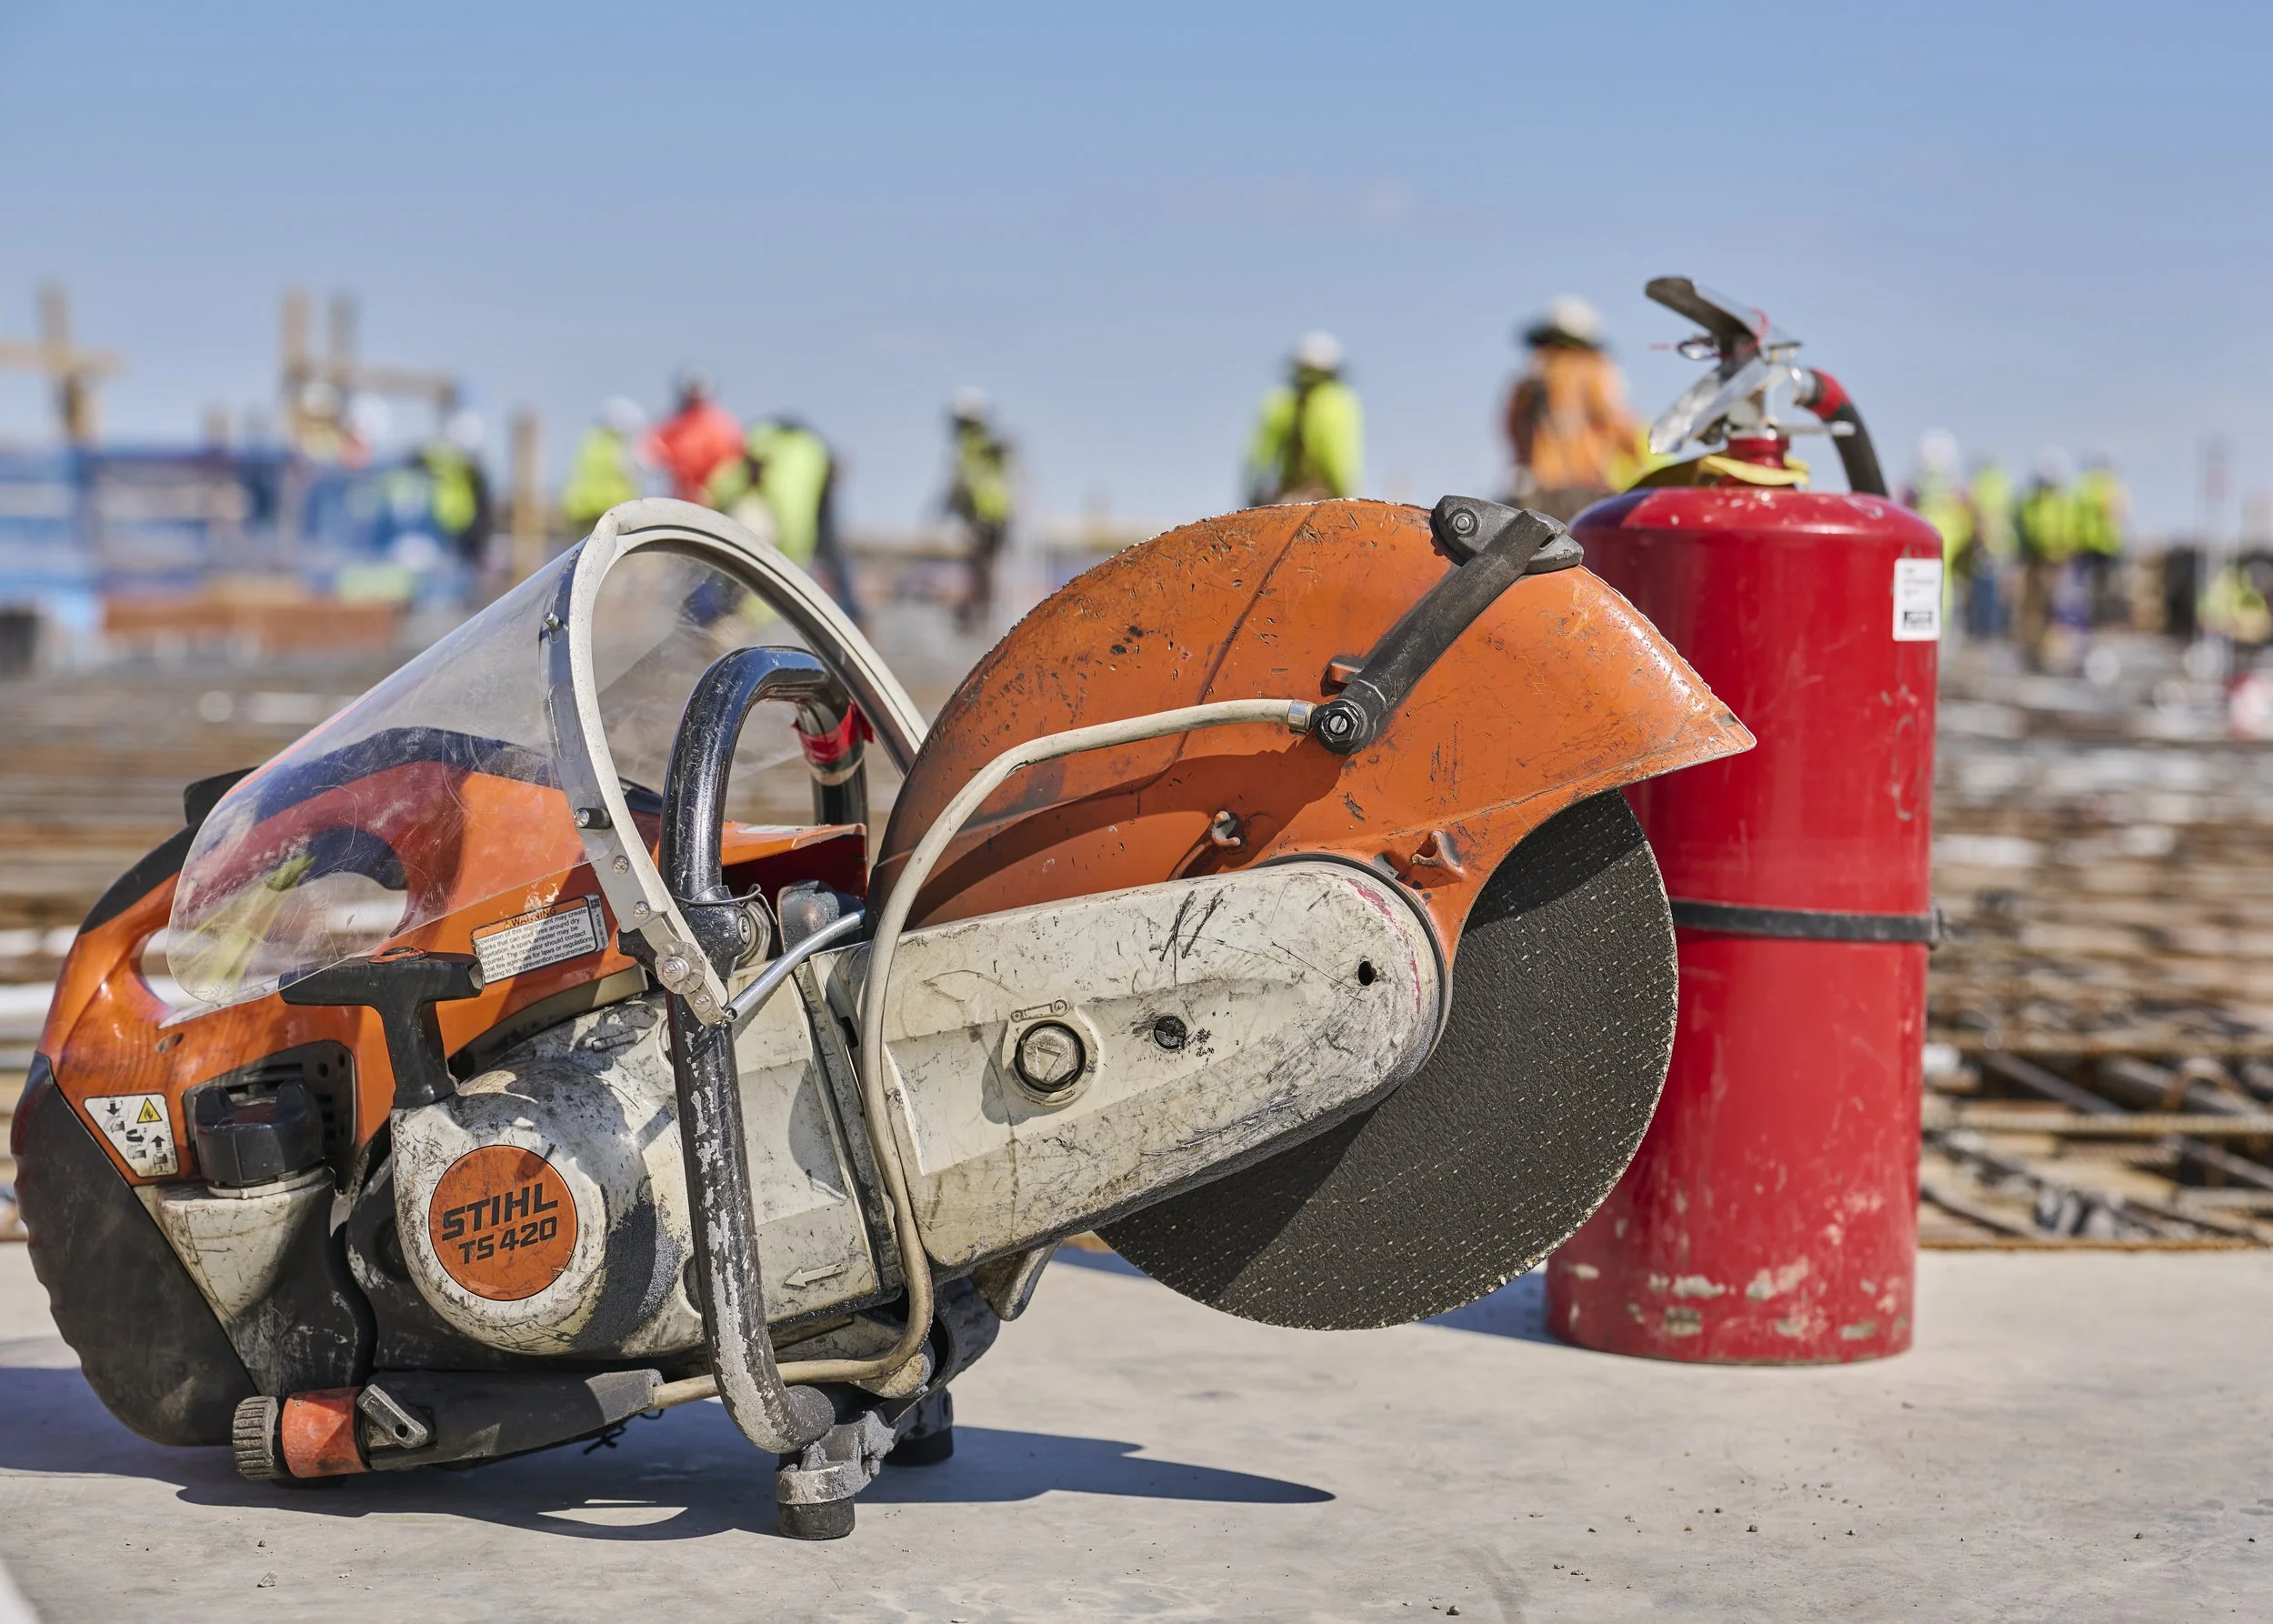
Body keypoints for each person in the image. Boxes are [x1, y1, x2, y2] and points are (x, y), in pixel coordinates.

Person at [706, 416, 864, 625]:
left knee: (831, 551)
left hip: (801, 457)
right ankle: (854, 616)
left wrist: (744, 621)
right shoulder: (731, 492)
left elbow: (787, 575)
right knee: (832, 553)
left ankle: (854, 618)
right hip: (780, 445)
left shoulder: (792, 525)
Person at [1504, 296, 1638, 522]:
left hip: (1533, 493)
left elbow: (1512, 432)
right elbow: (1614, 421)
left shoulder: (1526, 382)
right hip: (1583, 490)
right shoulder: (1591, 369)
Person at [1243, 333, 1363, 506]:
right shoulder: (1340, 401)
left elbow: (1257, 460)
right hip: (1324, 498)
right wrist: (1349, 500)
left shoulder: (1279, 401)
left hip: (1285, 498)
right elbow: (1339, 461)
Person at [943, 388, 1014, 632]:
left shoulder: (976, 444)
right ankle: (978, 612)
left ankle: (979, 613)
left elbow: (968, 480)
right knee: (981, 566)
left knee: (982, 566)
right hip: (986, 513)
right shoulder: (973, 445)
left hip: (988, 514)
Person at [1904, 429, 1976, 632]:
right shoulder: (1954, 488)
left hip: (1922, 541)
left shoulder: (1916, 488)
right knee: (1942, 585)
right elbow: (1969, 514)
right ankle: (1938, 629)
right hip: (1945, 539)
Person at [2015, 449, 2078, 667]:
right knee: (2033, 608)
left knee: (2058, 607)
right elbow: (2025, 527)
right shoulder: (2031, 501)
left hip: (2056, 561)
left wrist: (2065, 553)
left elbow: (2070, 529)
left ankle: (2054, 654)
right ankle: (2033, 650)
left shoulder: (2064, 501)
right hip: (2035, 559)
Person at [644, 373, 744, 502]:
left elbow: (733, 463)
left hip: (714, 499)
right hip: (676, 498)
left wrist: (712, 490)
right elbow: (653, 457)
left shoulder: (724, 425)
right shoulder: (670, 424)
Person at [560, 397, 647, 535]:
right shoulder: (620, 448)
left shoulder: (590, 441)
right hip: (610, 510)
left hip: (582, 510)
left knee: (584, 551)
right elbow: (634, 472)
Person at [419, 408, 493, 570]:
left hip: (459, 536)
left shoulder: (472, 471)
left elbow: (483, 512)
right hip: (438, 533)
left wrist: (480, 546)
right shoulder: (432, 460)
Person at [2072, 455, 2129, 626]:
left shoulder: (2085, 487)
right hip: (2097, 546)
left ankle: (2099, 624)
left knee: (2099, 591)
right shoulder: (2113, 487)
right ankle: (2097, 625)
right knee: (2095, 592)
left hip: (2100, 546)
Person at [1967, 456, 2017, 637]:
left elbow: (1979, 513)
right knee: (1991, 592)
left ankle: (1984, 632)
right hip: (1997, 545)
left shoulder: (1981, 484)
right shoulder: (2002, 484)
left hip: (1987, 545)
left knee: (1987, 592)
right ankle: (1989, 631)